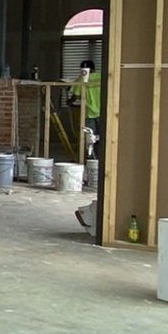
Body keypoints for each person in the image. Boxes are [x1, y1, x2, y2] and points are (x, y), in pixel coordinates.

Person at [72, 59, 103, 231]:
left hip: (90, 114)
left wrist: (70, 101)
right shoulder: (103, 77)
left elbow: (75, 95)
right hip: (103, 113)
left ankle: (92, 166)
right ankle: (100, 164)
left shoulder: (82, 78)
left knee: (89, 141)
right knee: (101, 140)